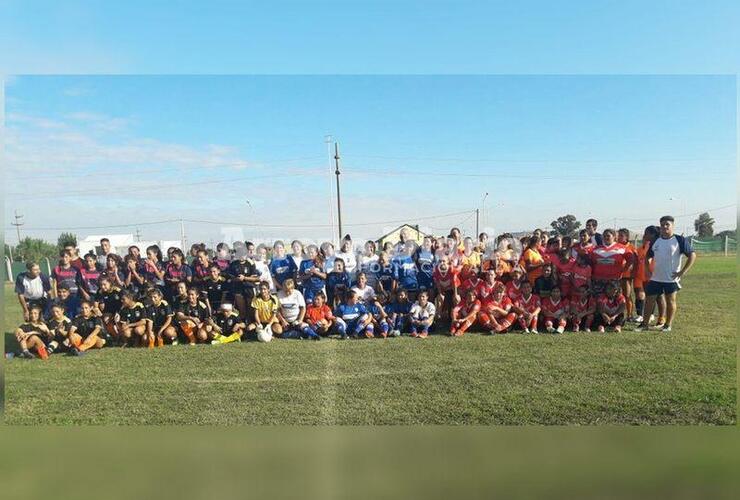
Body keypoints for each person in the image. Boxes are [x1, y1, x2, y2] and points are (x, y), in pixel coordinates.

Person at [636, 216, 697, 333]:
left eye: (667, 224)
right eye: (662, 224)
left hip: (671, 279)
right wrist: (647, 269)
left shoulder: (679, 240)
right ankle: (644, 324)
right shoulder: (656, 241)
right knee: (649, 300)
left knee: (671, 301)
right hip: (656, 278)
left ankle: (667, 325)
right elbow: (648, 256)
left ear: (672, 226)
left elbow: (692, 255)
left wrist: (683, 271)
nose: (664, 227)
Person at [633, 225, 665, 325]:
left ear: (652, 234)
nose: (644, 235)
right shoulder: (648, 245)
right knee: (649, 298)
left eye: (646, 233)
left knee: (659, 297)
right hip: (646, 275)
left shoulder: (660, 244)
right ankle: (645, 319)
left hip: (656, 275)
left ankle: (661, 318)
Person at [590, 229, 629, 297]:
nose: (606, 237)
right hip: (598, 281)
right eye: (604, 236)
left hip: (614, 280)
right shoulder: (595, 249)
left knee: (614, 302)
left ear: (614, 237)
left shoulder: (622, 248)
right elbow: (590, 262)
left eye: (608, 236)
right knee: (598, 302)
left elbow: (631, 260)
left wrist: (624, 270)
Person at [228, 246, 261, 322]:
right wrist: (237, 279)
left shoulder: (251, 264)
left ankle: (251, 325)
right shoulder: (233, 264)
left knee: (251, 310)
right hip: (238, 289)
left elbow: (256, 278)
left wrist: (245, 278)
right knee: (242, 311)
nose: (241, 256)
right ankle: (244, 325)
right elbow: (230, 278)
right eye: (239, 254)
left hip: (249, 288)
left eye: (243, 254)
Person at [617, 228, 637, 320]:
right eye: (618, 235)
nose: (618, 237)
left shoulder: (631, 247)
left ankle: (630, 314)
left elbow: (636, 261)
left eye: (621, 235)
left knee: (627, 295)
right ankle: (618, 313)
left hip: (627, 275)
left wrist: (633, 272)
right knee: (617, 294)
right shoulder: (616, 246)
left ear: (627, 237)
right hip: (616, 274)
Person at [433, 255, 460, 320]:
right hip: (443, 289)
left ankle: (457, 316)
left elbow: (454, 283)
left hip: (454, 288)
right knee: (439, 298)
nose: (441, 263)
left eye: (444, 261)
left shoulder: (452, 269)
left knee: (457, 299)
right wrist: (440, 293)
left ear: (448, 262)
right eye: (440, 261)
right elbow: (438, 283)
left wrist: (455, 294)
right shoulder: (436, 269)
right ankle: (440, 317)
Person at [96, 276, 123, 342]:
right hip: (108, 311)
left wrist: (118, 313)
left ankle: (123, 337)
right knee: (105, 319)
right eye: (101, 285)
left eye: (104, 284)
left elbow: (125, 302)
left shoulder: (117, 290)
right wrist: (99, 312)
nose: (102, 287)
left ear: (110, 283)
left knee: (117, 319)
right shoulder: (100, 292)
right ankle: (114, 337)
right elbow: (96, 305)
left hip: (120, 310)